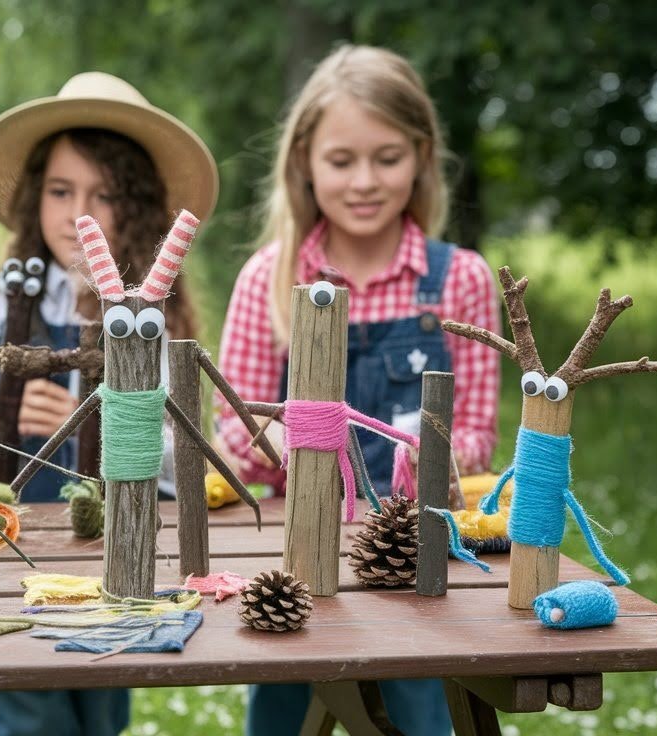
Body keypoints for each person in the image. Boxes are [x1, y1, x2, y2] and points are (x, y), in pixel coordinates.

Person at [215, 45, 501, 735]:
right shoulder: (269, 279)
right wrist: (283, 439)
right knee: (281, 707)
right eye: (342, 161)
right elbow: (232, 434)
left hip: (415, 554)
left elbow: (474, 436)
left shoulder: (459, 279)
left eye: (388, 157)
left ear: (422, 155)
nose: (365, 181)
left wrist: (401, 474)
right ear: (306, 163)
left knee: (422, 704)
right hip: (297, 549)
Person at [0, 71, 216, 736]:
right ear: (36, 198)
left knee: (101, 708)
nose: (77, 214)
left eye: (104, 195)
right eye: (61, 191)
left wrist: (96, 419)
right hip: (14, 552)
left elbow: (188, 465)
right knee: (22, 705)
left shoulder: (159, 323)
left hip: (116, 552)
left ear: (139, 207)